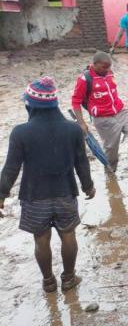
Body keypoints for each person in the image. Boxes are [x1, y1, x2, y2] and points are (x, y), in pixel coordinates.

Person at [0, 77, 95, 293]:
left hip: (34, 197)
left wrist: (1, 195)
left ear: (30, 105)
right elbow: (82, 162)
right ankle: (69, 279)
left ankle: (48, 282)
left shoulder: (20, 133)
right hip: (65, 194)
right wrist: (88, 186)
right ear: (54, 104)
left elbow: (10, 168)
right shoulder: (73, 130)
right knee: (68, 236)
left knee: (41, 240)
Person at [72, 52, 128, 174]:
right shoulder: (84, 80)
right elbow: (76, 101)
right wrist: (81, 123)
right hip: (103, 119)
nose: (107, 70)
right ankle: (111, 171)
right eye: (104, 67)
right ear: (94, 65)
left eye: (109, 67)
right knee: (111, 148)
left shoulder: (109, 73)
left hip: (121, 112)